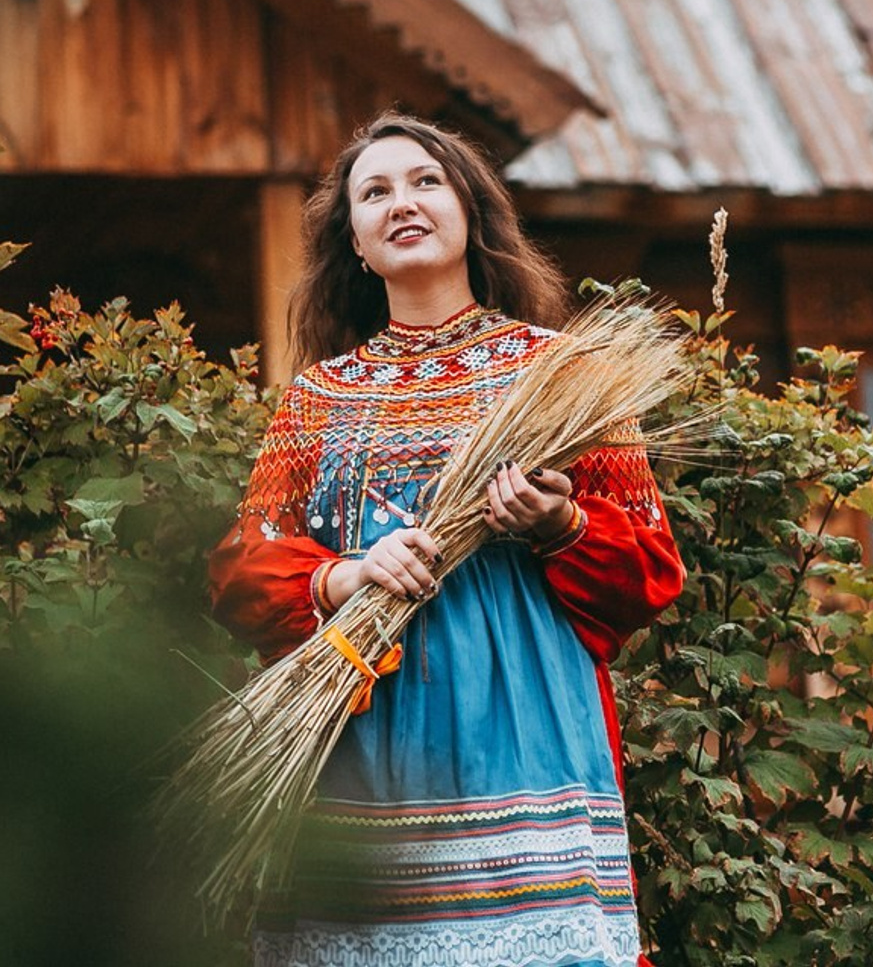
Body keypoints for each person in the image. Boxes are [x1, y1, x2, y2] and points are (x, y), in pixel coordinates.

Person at [208, 109, 684, 967]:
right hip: (360, 718)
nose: (403, 202)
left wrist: (560, 525)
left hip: (527, 726)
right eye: (375, 191)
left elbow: (650, 566)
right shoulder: (320, 398)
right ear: (354, 241)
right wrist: (343, 579)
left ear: (472, 211)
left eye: (426, 181)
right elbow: (243, 570)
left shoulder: (563, 375)